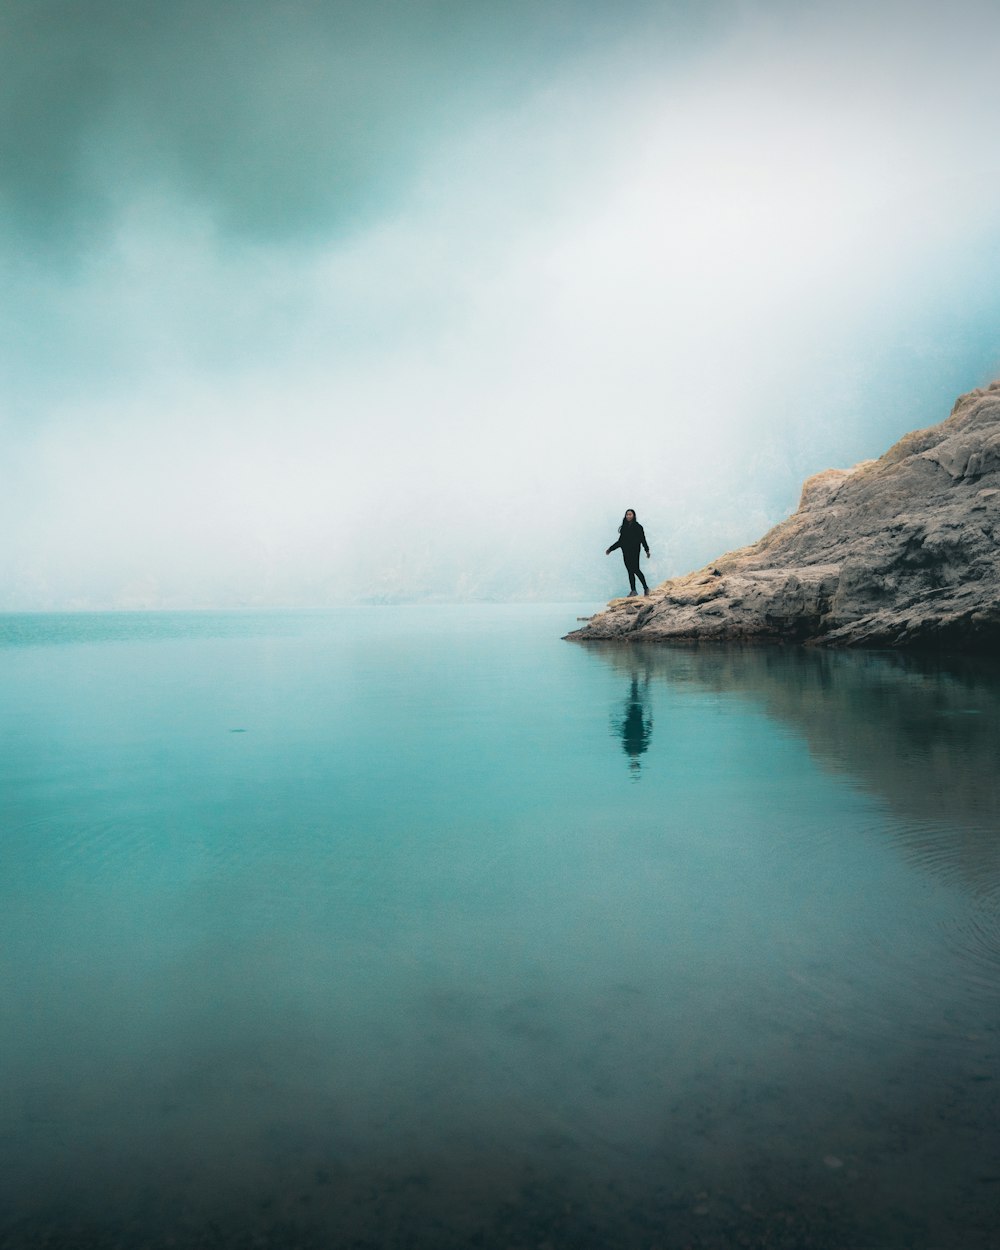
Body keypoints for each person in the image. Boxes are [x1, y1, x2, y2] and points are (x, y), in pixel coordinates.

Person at [605, 509, 651, 596]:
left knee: (636, 569)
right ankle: (633, 591)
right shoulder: (624, 528)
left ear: (633, 516)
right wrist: (611, 549)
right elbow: (620, 541)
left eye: (630, 514)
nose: (628, 516)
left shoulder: (638, 527)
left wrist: (647, 550)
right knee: (630, 571)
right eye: (627, 515)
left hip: (635, 551)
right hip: (626, 552)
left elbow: (642, 539)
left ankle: (646, 588)